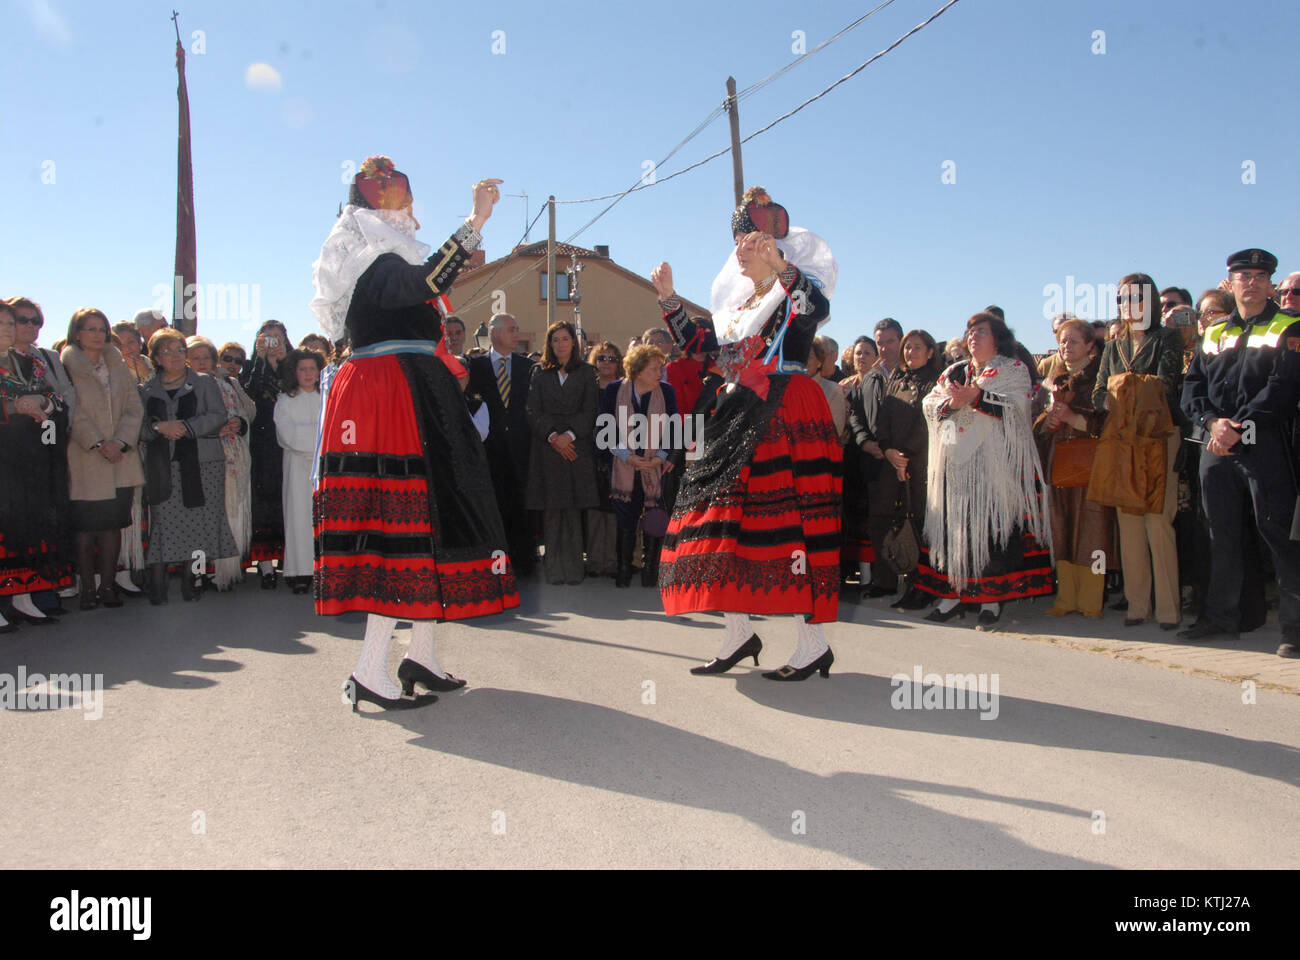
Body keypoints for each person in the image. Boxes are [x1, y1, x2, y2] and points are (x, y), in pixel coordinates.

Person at [310, 156, 518, 711]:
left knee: (433, 525)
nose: (402, 200)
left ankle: (420, 655)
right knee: (400, 532)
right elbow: (429, 279)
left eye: (402, 188)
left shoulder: (383, 256)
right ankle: (368, 670)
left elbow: (427, 285)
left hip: (410, 388)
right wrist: (476, 220)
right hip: (392, 393)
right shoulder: (373, 259)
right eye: (391, 190)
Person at [650, 185, 842, 680]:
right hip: (736, 413)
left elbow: (815, 307)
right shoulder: (737, 307)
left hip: (783, 411)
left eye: (750, 242)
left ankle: (813, 644)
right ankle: (739, 633)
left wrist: (781, 266)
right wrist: (669, 299)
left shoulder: (793, 293)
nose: (740, 251)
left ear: (775, 246)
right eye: (737, 243)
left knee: (787, 527)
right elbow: (698, 345)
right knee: (719, 528)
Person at [1181, 248, 1300, 658]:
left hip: (1264, 444)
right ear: (1228, 283)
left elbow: (1282, 390)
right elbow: (1192, 388)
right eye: (1242, 276)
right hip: (1216, 444)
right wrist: (1214, 424)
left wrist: (1237, 428)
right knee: (1221, 535)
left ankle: (1294, 632)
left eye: (1258, 276)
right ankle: (1220, 619)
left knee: (1280, 537)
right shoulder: (1212, 332)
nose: (1250, 282)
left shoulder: (1291, 326)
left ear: (1270, 283)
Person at [914, 313, 1053, 625]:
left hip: (994, 467)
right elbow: (929, 404)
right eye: (970, 331)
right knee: (953, 531)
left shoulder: (1012, 369)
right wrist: (953, 404)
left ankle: (991, 599)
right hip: (955, 466)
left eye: (981, 331)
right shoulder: (954, 370)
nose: (973, 336)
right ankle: (952, 595)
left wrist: (976, 397)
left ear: (998, 337)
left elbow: (1017, 406)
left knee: (992, 532)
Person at [1090, 272, 1184, 629]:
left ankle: (1169, 610)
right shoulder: (1113, 348)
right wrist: (1126, 391)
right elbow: (1098, 395)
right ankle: (1137, 605)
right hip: (1121, 441)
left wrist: (1122, 390)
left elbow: (1166, 387)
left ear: (1152, 301)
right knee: (1128, 524)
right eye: (1121, 300)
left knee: (1158, 524)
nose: (1127, 306)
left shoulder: (1168, 338)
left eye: (1134, 298)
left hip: (1158, 438)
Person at [139, 329, 237, 604]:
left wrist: (186, 427)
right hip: (163, 466)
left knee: (199, 526)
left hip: (203, 464)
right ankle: (156, 583)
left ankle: (190, 581)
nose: (175, 356)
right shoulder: (146, 389)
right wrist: (160, 426)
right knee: (163, 523)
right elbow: (141, 427)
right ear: (156, 356)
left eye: (180, 350)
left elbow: (218, 415)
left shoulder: (204, 382)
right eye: (167, 351)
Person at [60, 309, 145, 610]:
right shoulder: (66, 363)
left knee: (112, 526)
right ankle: (87, 589)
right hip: (86, 456)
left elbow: (134, 407)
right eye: (90, 328)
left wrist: (120, 442)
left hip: (120, 457)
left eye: (102, 328)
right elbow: (72, 408)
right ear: (77, 332)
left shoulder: (118, 363)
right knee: (85, 529)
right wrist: (98, 442)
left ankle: (108, 587)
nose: (97, 334)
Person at [1033, 319, 1113, 618]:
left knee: (1093, 530)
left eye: (1074, 341)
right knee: (1061, 528)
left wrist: (1073, 419)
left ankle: (1092, 600)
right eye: (1063, 341)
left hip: (1090, 465)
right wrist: (1047, 423)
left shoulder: (1100, 380)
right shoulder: (1052, 381)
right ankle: (1066, 598)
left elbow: (1108, 423)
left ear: (1090, 346)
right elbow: (1036, 423)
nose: (1066, 347)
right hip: (1059, 464)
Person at [0, 300, 71, 631]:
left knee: (28, 524)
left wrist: (41, 401)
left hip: (31, 454)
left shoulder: (28, 361)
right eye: (3, 324)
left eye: (10, 324)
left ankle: (23, 596)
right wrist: (15, 406)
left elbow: (56, 399)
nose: (8, 330)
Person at [525, 322, 600, 585]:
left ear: (573, 342)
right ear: (549, 343)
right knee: (552, 511)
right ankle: (554, 570)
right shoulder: (539, 372)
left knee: (572, 510)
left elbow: (590, 411)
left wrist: (568, 436)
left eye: (565, 339)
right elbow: (532, 411)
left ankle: (574, 570)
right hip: (547, 450)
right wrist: (553, 437)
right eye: (555, 340)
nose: (560, 344)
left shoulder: (587, 373)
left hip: (575, 449)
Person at [599, 343, 679, 588]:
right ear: (638, 370)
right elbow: (604, 428)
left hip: (655, 468)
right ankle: (623, 572)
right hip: (625, 466)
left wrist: (662, 457)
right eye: (655, 369)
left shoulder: (666, 391)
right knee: (626, 519)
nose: (660, 374)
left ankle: (650, 573)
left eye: (661, 368)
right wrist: (627, 457)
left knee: (656, 517)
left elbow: (675, 428)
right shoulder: (615, 390)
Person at [876, 329, 944, 611]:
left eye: (917, 348)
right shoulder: (897, 380)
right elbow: (883, 419)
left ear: (930, 351)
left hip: (924, 465)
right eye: (907, 348)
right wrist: (888, 449)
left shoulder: (937, 382)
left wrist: (907, 457)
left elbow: (927, 425)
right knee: (904, 523)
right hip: (896, 464)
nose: (910, 353)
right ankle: (912, 584)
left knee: (923, 525)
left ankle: (928, 587)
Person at [466, 313, 537, 574]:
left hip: (521, 447)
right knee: (495, 504)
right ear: (494, 334)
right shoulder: (477, 367)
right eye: (511, 329)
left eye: (517, 329)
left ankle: (525, 560)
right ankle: (495, 560)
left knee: (522, 504)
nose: (516, 334)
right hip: (490, 450)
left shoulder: (527, 366)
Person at [188, 336, 255, 591]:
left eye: (207, 357)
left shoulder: (229, 383)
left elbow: (248, 411)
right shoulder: (183, 385)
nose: (202, 362)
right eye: (196, 357)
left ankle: (225, 571)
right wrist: (210, 431)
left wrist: (239, 422)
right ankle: (197, 573)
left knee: (230, 512)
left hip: (232, 455)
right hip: (199, 456)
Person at [856, 318, 905, 599]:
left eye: (890, 342)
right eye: (880, 343)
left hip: (908, 460)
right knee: (879, 523)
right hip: (875, 462)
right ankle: (885, 581)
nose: (885, 348)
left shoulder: (913, 373)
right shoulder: (870, 379)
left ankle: (919, 583)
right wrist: (865, 443)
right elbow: (856, 416)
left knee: (912, 521)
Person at [241, 319, 289, 587]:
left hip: (289, 443)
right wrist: (260, 360)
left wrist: (283, 361)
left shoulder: (293, 365)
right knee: (263, 500)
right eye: (266, 338)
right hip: (260, 442)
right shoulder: (250, 367)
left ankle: (289, 558)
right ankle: (265, 563)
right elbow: (248, 393)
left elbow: (298, 391)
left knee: (287, 499)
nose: (272, 343)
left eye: (277, 337)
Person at [274, 348, 324, 595]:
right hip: (296, 468)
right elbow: (287, 435)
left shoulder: (328, 397)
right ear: (295, 372)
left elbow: (334, 431)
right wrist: (315, 437)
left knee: (322, 518)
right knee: (298, 517)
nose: (307, 374)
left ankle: (323, 569)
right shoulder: (285, 400)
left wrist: (315, 438)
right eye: (302, 369)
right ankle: (300, 571)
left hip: (324, 466)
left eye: (312, 369)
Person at [840, 335, 879, 586]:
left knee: (869, 514)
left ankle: (870, 576)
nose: (861, 357)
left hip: (871, 453)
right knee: (851, 513)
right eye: (857, 353)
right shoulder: (843, 385)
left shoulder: (881, 381)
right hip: (848, 455)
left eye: (866, 352)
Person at [584, 341, 623, 578]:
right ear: (594, 361)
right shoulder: (587, 388)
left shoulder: (625, 389)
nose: (606, 363)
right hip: (589, 453)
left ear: (619, 362)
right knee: (593, 508)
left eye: (611, 358)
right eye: (601, 358)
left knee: (614, 508)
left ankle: (612, 560)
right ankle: (595, 559)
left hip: (619, 455)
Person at [808, 336, 847, 440]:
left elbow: (835, 431)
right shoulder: (788, 388)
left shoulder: (833, 390)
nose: (804, 362)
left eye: (809, 357)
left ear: (819, 361)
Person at [111, 321, 154, 386]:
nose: (126, 348)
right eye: (121, 344)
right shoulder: (111, 373)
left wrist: (147, 374)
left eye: (131, 342)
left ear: (139, 343)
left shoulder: (156, 365)